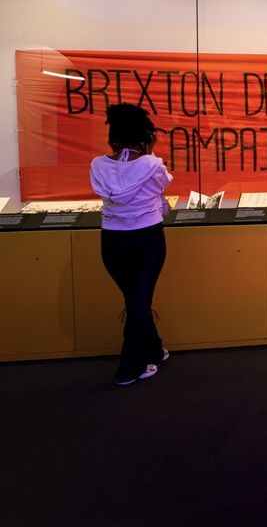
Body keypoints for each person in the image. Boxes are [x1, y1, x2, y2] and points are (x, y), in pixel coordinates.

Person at [89, 103, 173, 386]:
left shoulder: (98, 165)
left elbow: (113, 185)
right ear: (145, 137)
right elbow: (164, 183)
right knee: (139, 301)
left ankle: (154, 349)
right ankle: (130, 367)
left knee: (135, 299)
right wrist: (147, 153)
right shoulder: (151, 163)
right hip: (146, 239)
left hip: (112, 241)